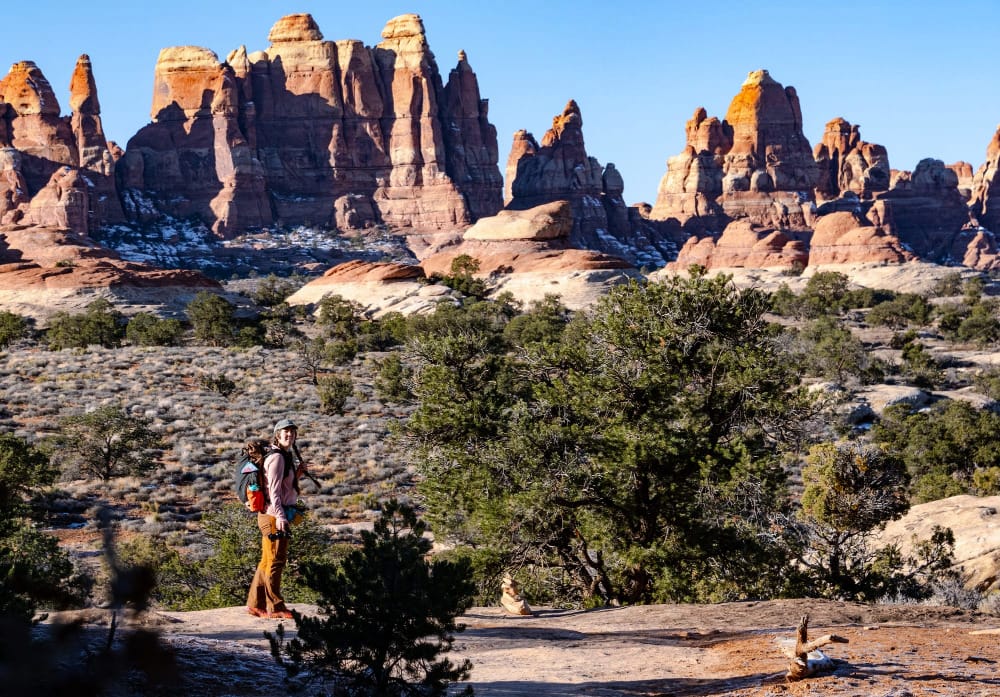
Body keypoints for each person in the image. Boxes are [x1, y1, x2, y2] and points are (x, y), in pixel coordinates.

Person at [246, 418, 308, 619]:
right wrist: (281, 516)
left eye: (292, 432)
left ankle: (255, 605)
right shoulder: (278, 458)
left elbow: (282, 487)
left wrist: (297, 475)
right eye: (285, 432)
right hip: (274, 516)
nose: (289, 435)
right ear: (277, 434)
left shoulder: (282, 456)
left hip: (270, 515)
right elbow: (273, 491)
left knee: (267, 561)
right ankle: (276, 607)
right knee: (276, 561)